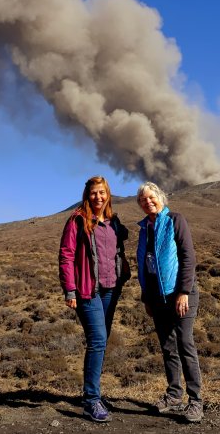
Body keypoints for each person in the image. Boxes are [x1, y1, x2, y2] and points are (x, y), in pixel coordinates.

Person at [59, 176, 131, 422]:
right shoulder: (77, 220)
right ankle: (91, 401)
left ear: (108, 194)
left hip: (111, 288)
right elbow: (66, 255)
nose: (98, 197)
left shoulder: (113, 222)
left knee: (102, 340)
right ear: (86, 195)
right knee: (97, 340)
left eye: (102, 192)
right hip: (87, 291)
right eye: (93, 193)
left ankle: (94, 395)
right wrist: (70, 290)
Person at [136, 181, 204, 423]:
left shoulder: (175, 220)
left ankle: (195, 400)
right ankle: (174, 394)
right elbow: (144, 266)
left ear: (161, 197)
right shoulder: (144, 228)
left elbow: (188, 256)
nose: (148, 202)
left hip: (180, 293)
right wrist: (146, 298)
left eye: (151, 197)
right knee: (167, 346)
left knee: (185, 343)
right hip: (157, 297)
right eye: (143, 200)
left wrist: (184, 291)